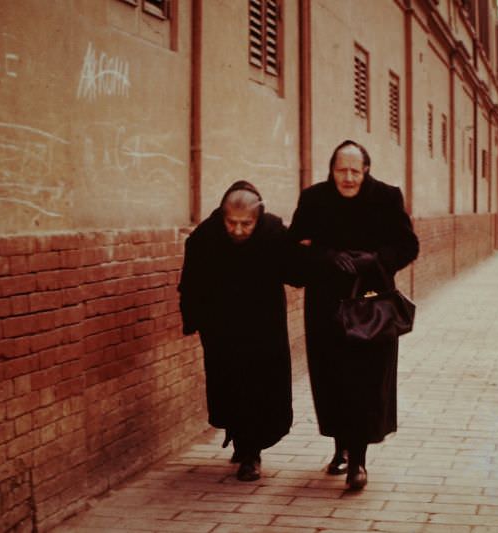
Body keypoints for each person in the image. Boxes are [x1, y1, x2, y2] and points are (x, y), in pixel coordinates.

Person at [288, 140, 419, 491]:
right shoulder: (314, 199)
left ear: (366, 171)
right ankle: (340, 447)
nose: (347, 178)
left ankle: (357, 462)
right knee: (331, 380)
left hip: (371, 306)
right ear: (331, 170)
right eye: (340, 170)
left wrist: (375, 261)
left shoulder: (387, 198)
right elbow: (293, 251)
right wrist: (327, 257)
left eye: (354, 171)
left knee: (365, 381)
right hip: (326, 307)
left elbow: (409, 245)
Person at [178, 180, 299, 482]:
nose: (239, 230)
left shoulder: (273, 232)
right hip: (223, 329)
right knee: (231, 386)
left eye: (247, 224)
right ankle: (241, 438)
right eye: (232, 222)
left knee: (261, 388)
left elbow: (295, 272)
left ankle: (251, 452)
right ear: (222, 215)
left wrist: (304, 252)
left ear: (257, 218)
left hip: (264, 328)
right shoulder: (205, 237)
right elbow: (190, 282)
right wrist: (195, 319)